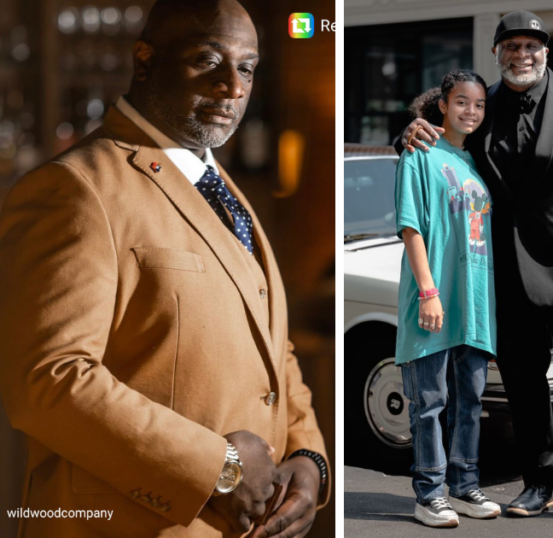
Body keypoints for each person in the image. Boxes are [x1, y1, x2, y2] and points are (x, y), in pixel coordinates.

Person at [0, 1, 330, 536]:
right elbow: (49, 382)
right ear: (146, 60)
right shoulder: (74, 189)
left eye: (246, 67)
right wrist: (218, 470)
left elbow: (271, 346)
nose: (233, 86)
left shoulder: (224, 191)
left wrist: (309, 459)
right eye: (208, 60)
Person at [397, 10, 553, 528]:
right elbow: (437, 149)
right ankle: (540, 482)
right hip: (504, 277)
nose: (522, 55)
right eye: (512, 46)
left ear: (547, 52)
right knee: (525, 386)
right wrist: (407, 131)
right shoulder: (481, 108)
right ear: (497, 53)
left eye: (532, 46)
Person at [394, 69, 501, 528]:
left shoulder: (474, 163)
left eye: (478, 105)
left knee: (469, 403)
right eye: (461, 102)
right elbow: (410, 225)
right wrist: (428, 291)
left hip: (475, 301)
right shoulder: (419, 153)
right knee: (430, 403)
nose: (470, 112)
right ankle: (429, 492)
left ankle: (464, 485)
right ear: (442, 104)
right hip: (435, 297)